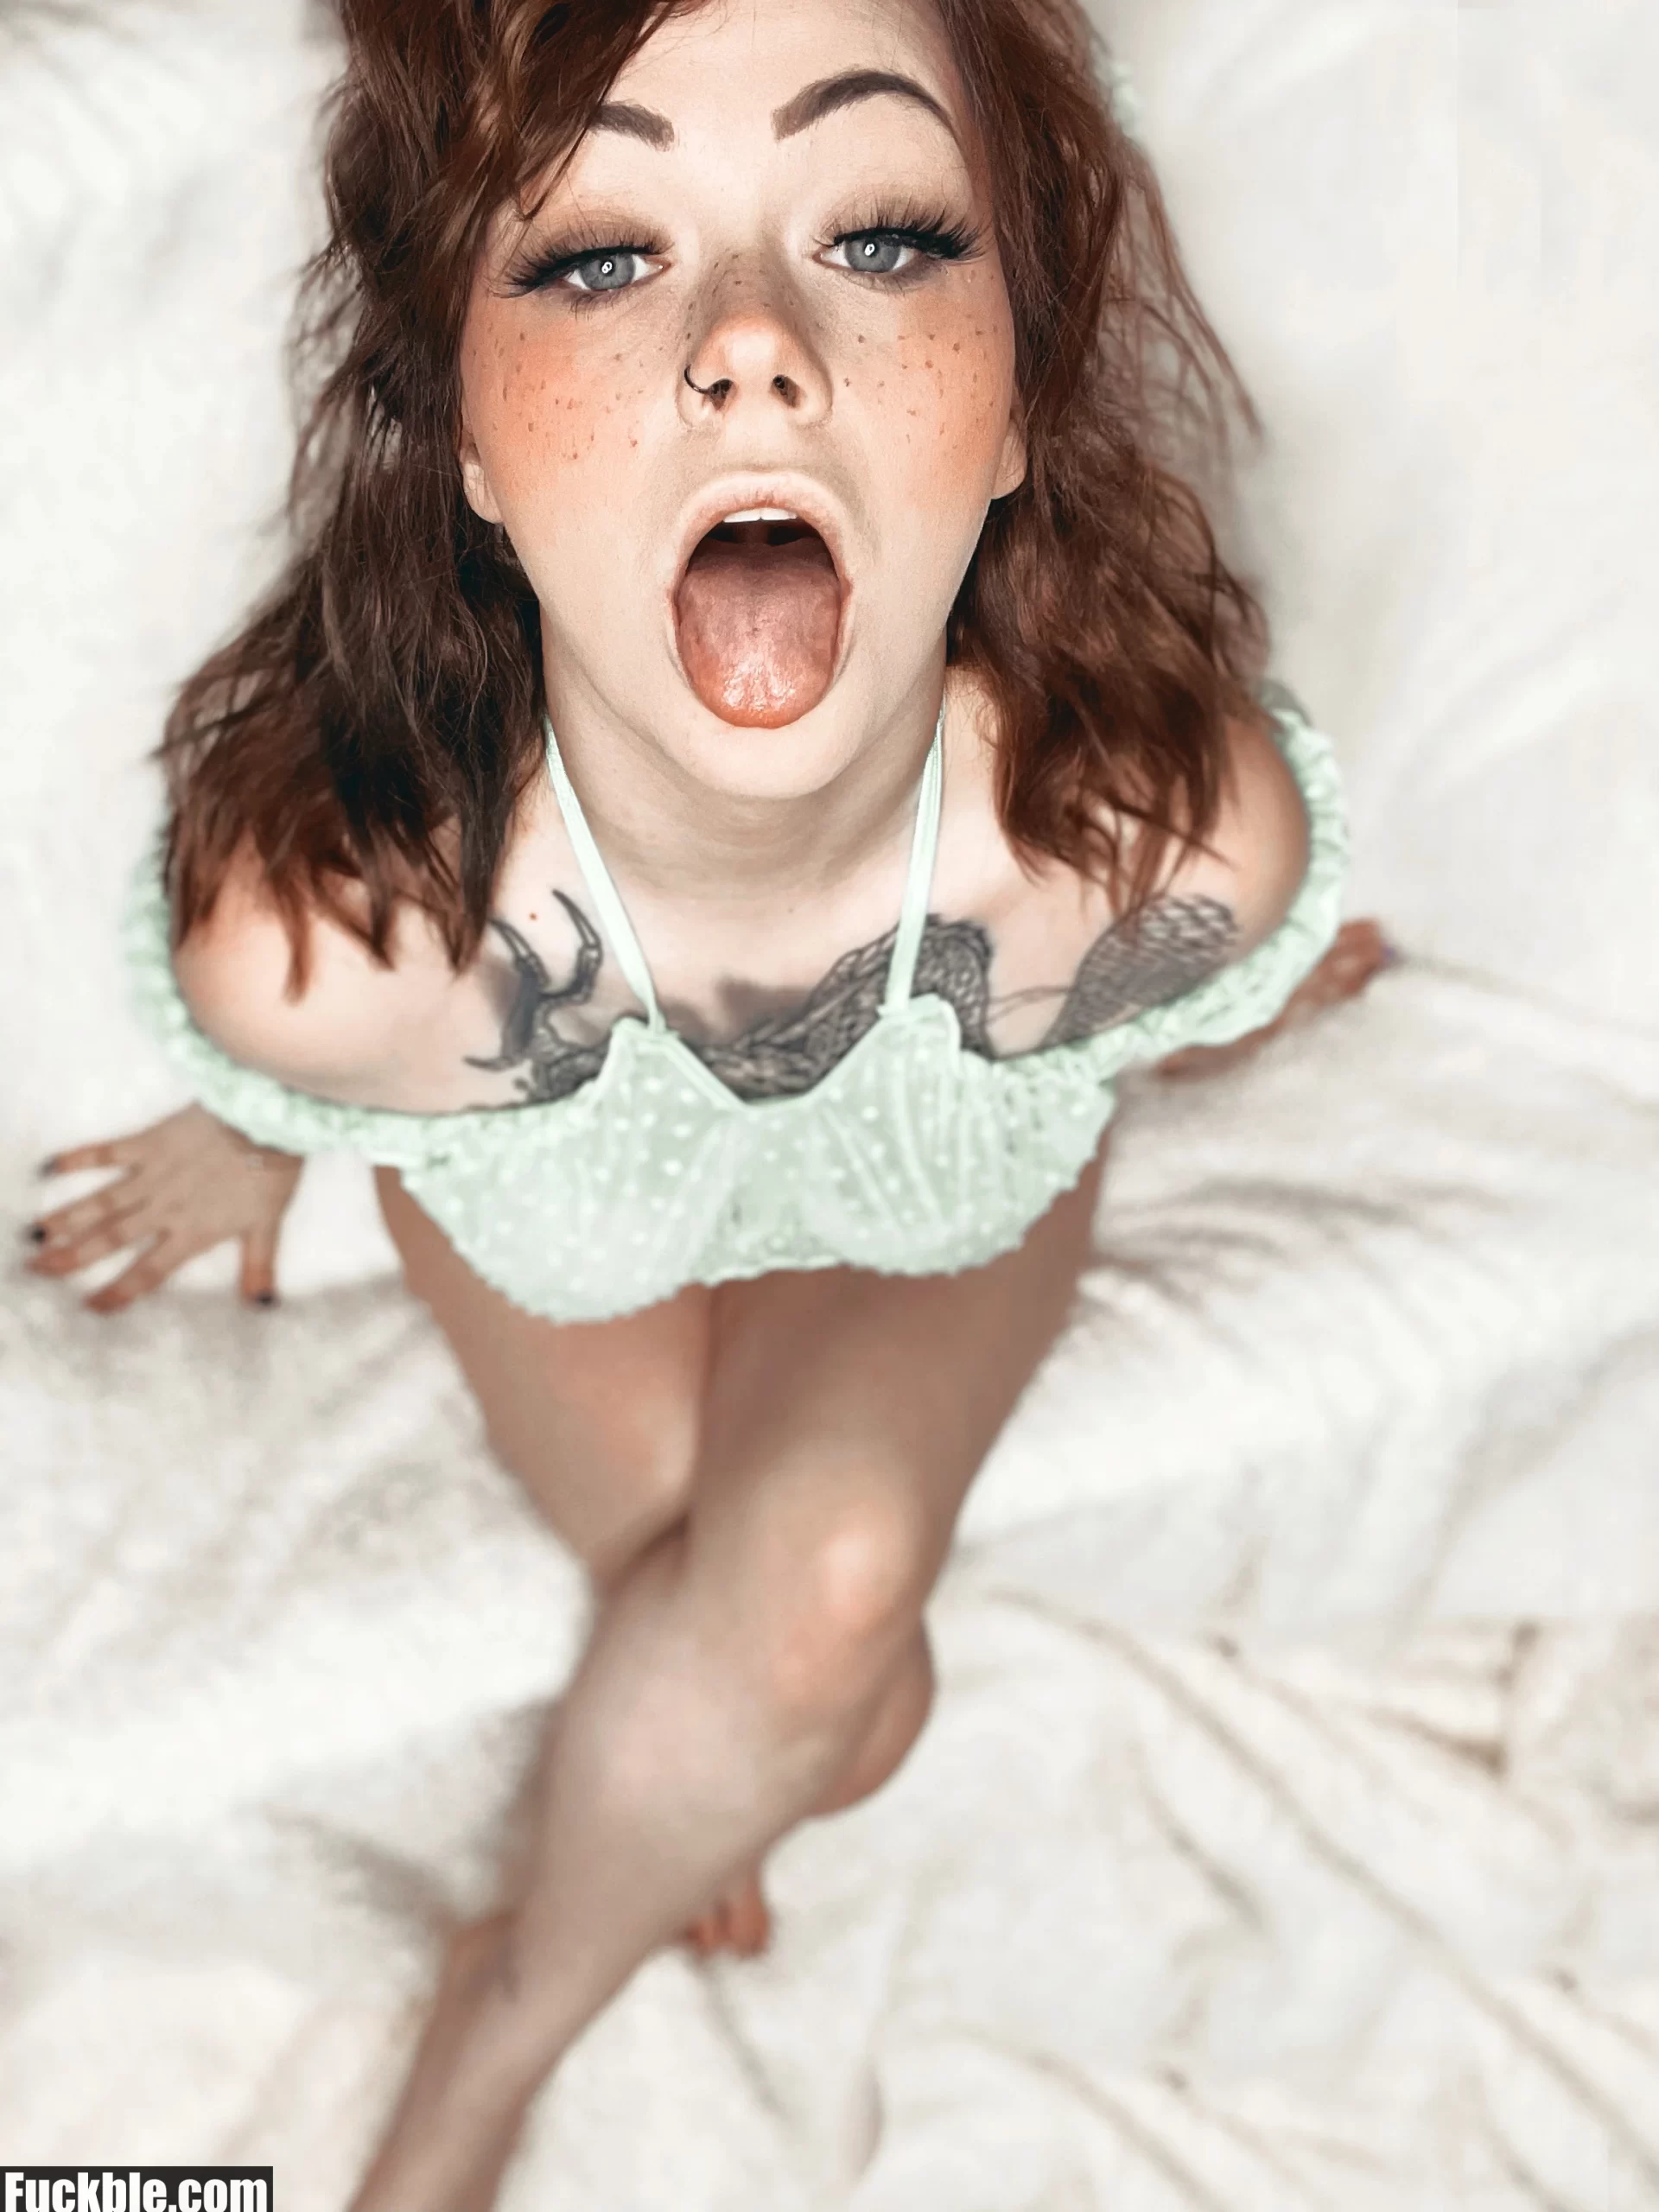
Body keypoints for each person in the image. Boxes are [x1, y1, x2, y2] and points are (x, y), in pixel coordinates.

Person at [26, 0, 1391, 2199]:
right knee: (831, 1716)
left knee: (808, 1631)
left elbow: (1181, 951)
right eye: (595, 254)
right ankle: (681, 1782)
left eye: (883, 234)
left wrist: (1216, 984)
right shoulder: (323, 968)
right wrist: (261, 1112)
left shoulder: (1174, 862)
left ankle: (504, 2016)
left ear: (1022, 394)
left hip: (932, 1203)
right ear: (468, 440)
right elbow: (306, 1015)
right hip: (562, 1212)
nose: (751, 345)